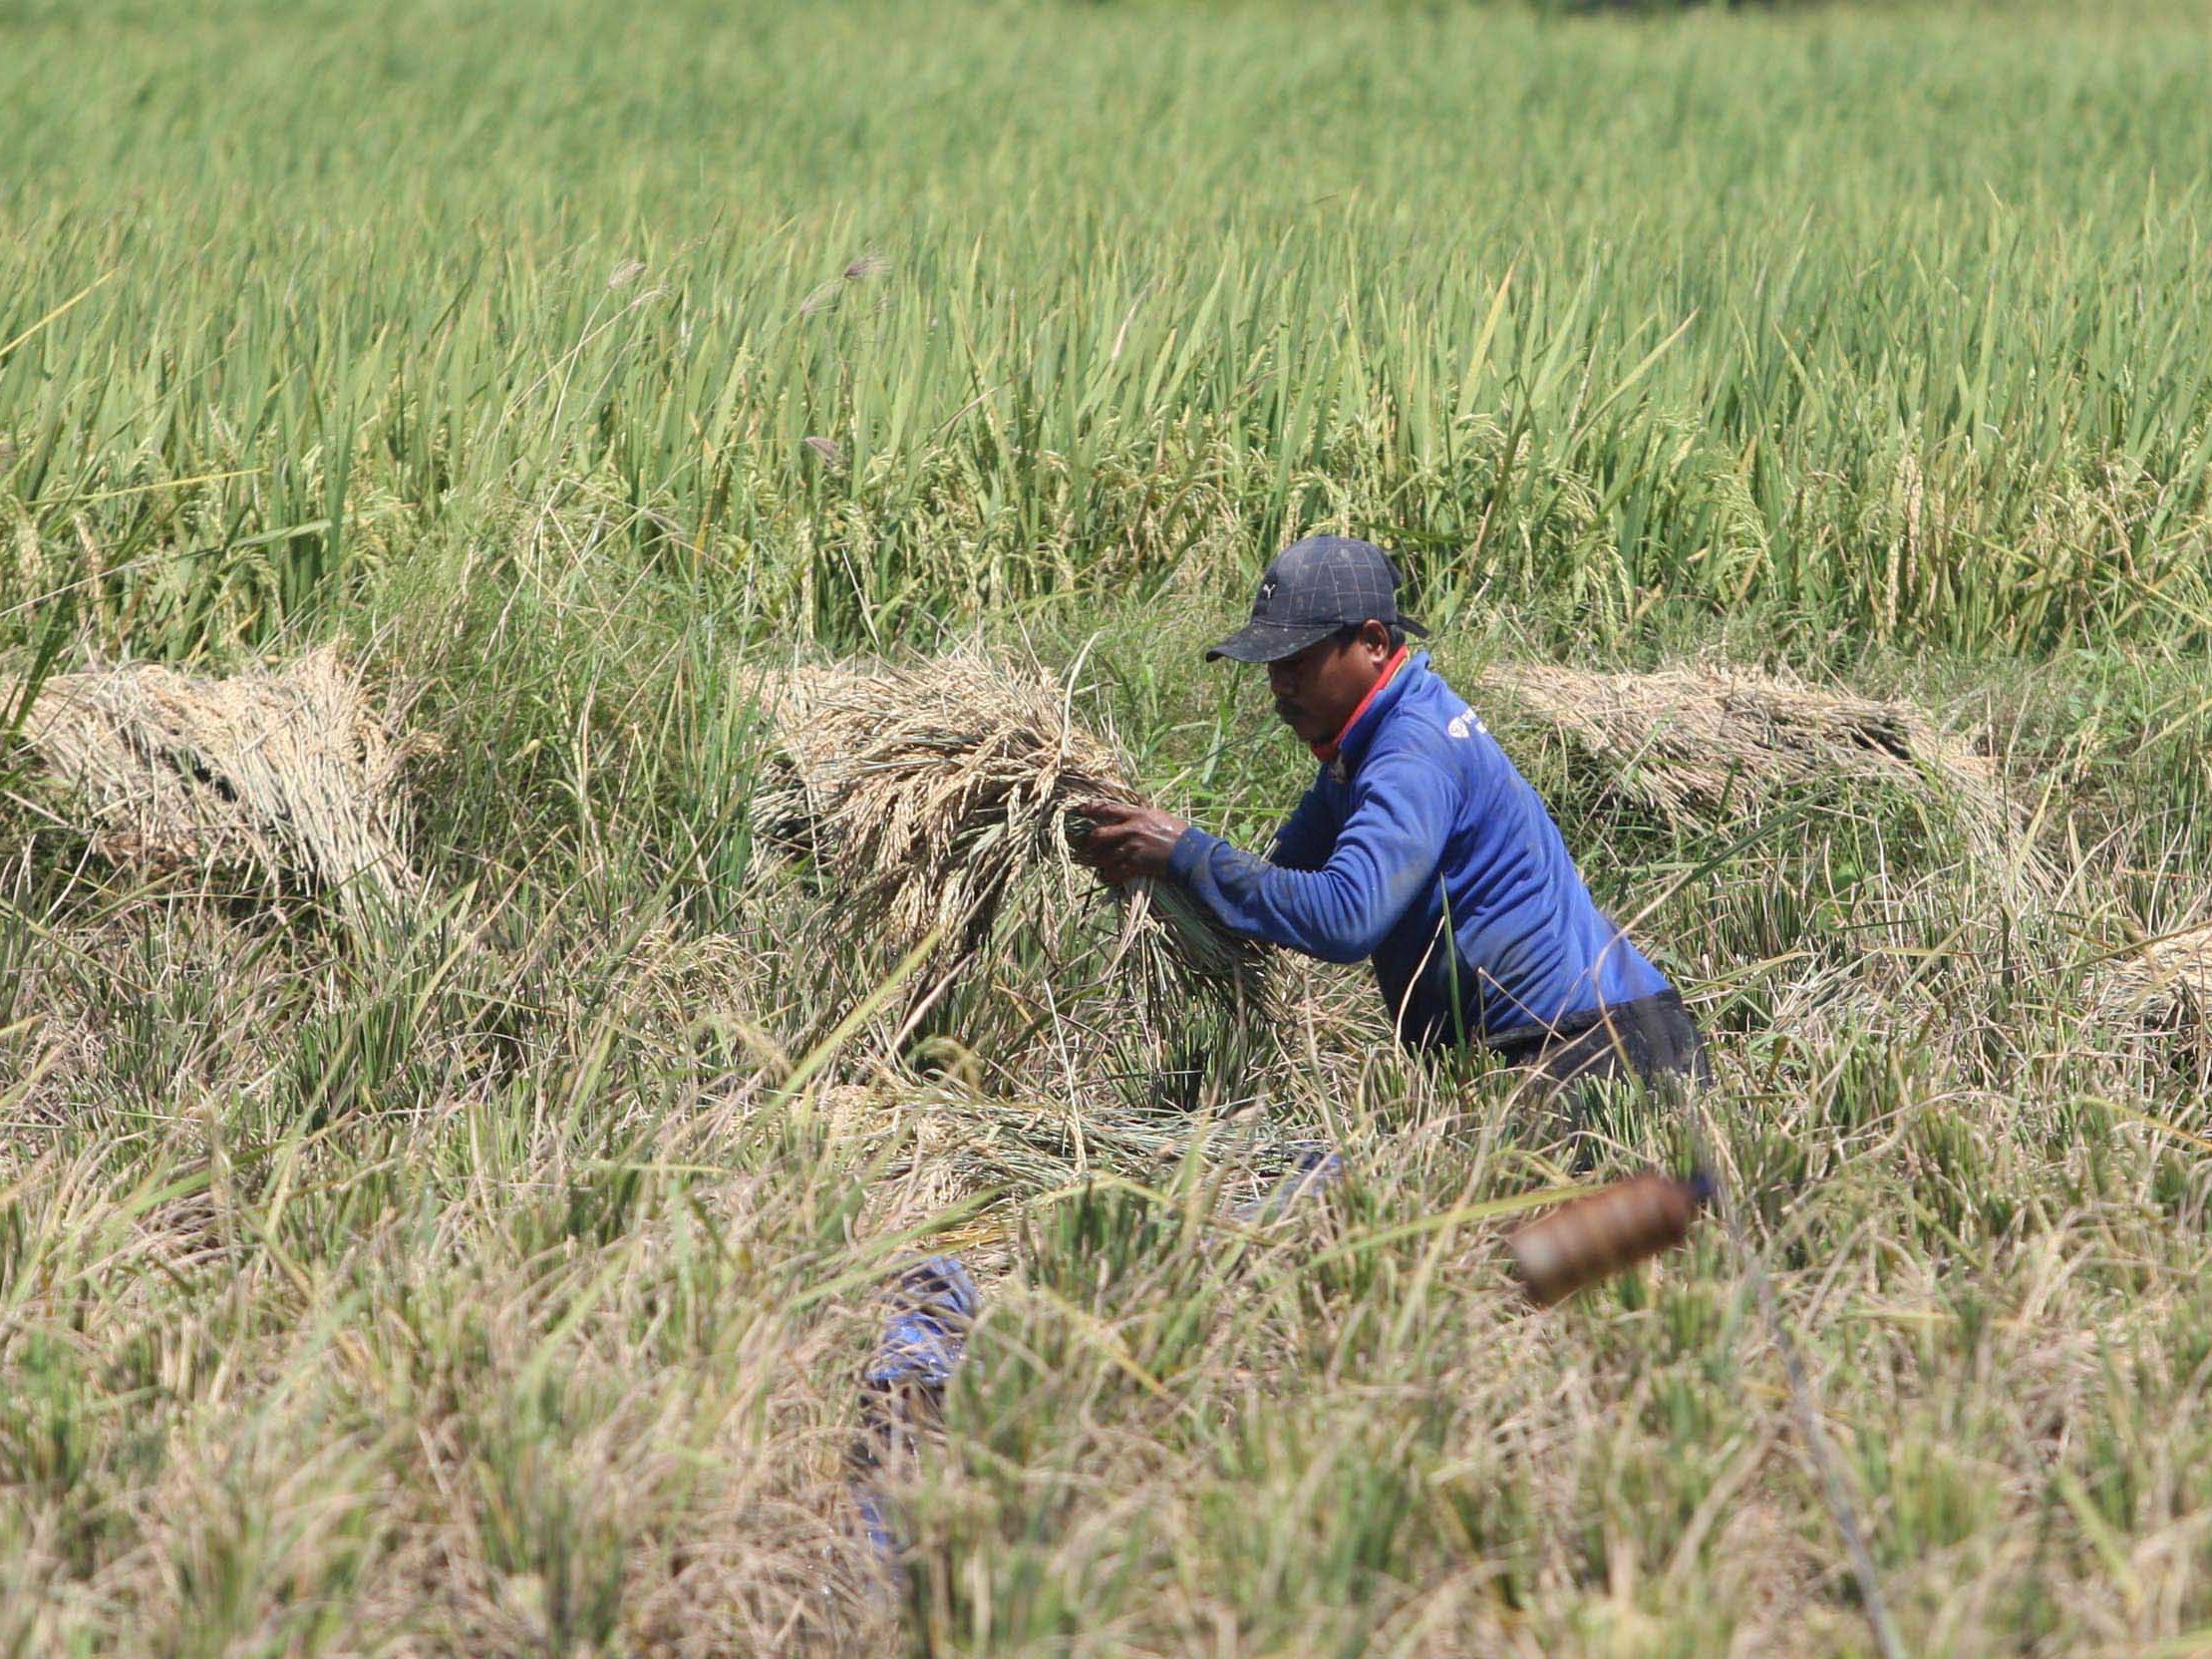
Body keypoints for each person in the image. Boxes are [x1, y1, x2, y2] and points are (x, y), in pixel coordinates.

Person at [1074, 534, 1708, 1098]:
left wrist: (1187, 850)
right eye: (1271, 667)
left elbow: (1347, 917)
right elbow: (1281, 887)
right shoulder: (1360, 751)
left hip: (1594, 1054)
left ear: (1373, 643)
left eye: (1296, 663)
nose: (1278, 686)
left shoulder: (1411, 751)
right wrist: (1154, 866)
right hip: (1548, 1047)